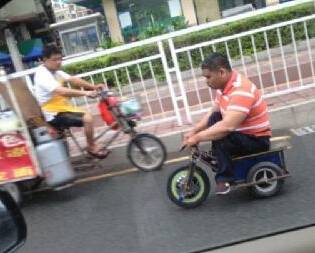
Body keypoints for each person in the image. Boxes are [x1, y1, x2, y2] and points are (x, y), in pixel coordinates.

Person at [183, 52, 271, 194]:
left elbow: (228, 126)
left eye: (208, 77)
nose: (206, 81)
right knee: (214, 118)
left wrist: (198, 138)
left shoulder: (241, 90)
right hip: (241, 134)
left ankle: (225, 179)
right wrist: (195, 131)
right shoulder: (224, 87)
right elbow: (213, 112)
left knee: (223, 135)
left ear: (222, 72)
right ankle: (221, 155)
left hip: (257, 139)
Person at [34, 45, 109, 158]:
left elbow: (73, 79)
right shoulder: (42, 75)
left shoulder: (55, 72)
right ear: (45, 60)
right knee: (87, 118)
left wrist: (93, 86)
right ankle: (91, 147)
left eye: (60, 58)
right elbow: (62, 91)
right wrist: (86, 93)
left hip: (61, 108)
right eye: (55, 59)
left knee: (86, 115)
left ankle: (89, 145)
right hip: (52, 113)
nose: (59, 62)